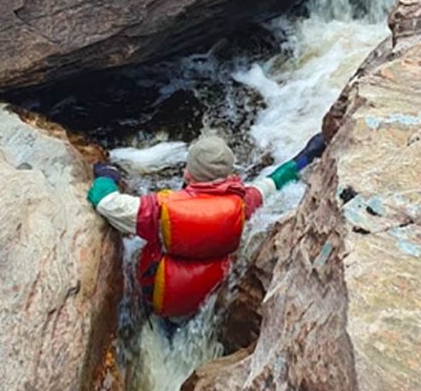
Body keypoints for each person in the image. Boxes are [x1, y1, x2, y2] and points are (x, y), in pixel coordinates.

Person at [86, 133, 326, 318]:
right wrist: (305, 156)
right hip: (206, 301)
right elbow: (273, 183)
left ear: (189, 173)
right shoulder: (241, 203)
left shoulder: (160, 211)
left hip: (162, 298)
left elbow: (107, 202)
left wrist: (106, 176)